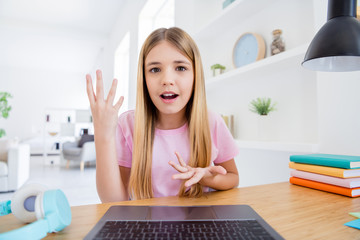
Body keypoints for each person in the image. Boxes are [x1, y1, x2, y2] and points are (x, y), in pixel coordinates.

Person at [86, 27, 239, 202]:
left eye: (180, 68)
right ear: (143, 79)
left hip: (199, 223)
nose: (167, 79)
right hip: (149, 225)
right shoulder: (128, 125)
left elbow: (233, 177)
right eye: (155, 70)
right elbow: (113, 202)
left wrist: (205, 177)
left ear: (195, 75)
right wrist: (102, 135)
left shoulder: (212, 122)